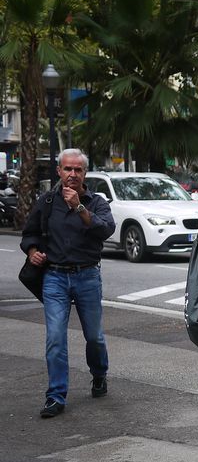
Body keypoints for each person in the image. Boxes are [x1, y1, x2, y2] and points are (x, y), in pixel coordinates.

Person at [21, 149, 116, 418]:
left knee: (94, 337)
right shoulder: (47, 201)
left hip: (87, 276)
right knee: (55, 338)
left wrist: (79, 207)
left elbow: (105, 230)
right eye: (67, 169)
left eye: (78, 170)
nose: (72, 174)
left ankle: (99, 374)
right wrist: (32, 252)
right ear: (59, 171)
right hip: (55, 277)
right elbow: (29, 234)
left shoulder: (96, 201)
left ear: (85, 173)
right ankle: (56, 396)